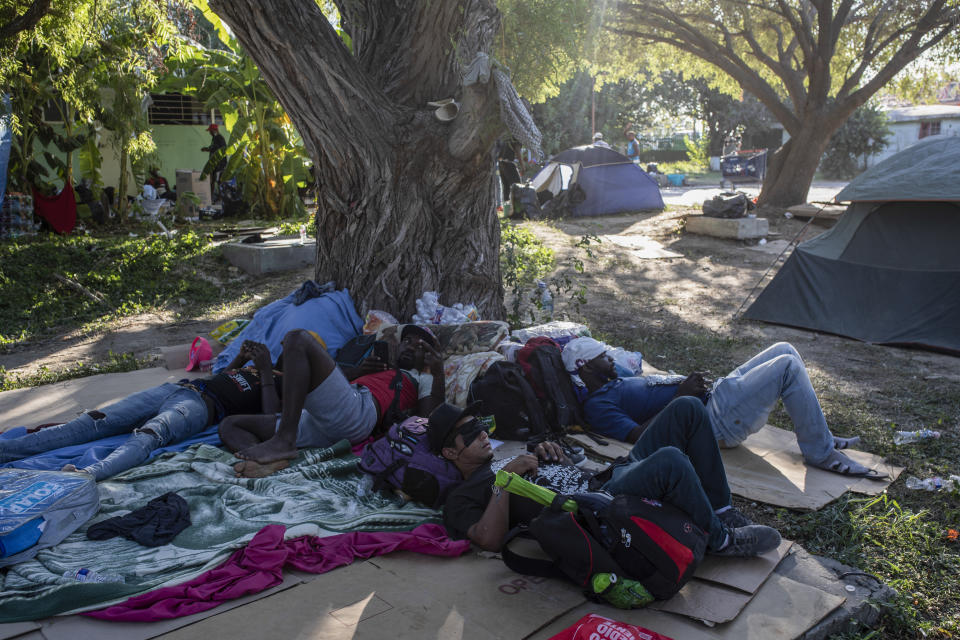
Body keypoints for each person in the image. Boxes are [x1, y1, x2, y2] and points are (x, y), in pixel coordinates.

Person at [434, 397, 781, 557]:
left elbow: (554, 469)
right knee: (670, 461)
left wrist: (551, 453)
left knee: (686, 408)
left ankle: (721, 511)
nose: (483, 433)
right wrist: (504, 481)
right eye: (471, 432)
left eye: (482, 425)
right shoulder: (463, 495)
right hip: (596, 508)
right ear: (450, 453)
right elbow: (487, 539)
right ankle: (720, 541)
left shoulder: (509, 452)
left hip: (605, 477)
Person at [563, 338, 878, 478]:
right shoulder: (598, 405)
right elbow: (639, 438)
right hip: (710, 421)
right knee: (786, 367)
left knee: (785, 349)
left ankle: (818, 432)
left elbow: (640, 378)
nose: (611, 360)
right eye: (603, 357)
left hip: (713, 398)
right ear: (585, 368)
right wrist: (681, 396)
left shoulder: (615, 381)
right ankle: (820, 452)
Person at [0, 341, 280, 481]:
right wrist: (243, 359)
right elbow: (222, 381)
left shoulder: (280, 384)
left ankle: (85, 475)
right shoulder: (261, 367)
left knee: (149, 434)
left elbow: (269, 417)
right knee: (91, 422)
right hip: (180, 388)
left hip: (198, 407)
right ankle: (7, 451)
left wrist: (266, 370)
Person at [220, 325, 446, 476]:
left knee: (297, 338)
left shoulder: (421, 376)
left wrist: (437, 373)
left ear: (428, 356)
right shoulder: (380, 368)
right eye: (407, 341)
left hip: (358, 414)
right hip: (322, 419)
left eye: (420, 346)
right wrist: (357, 371)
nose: (410, 346)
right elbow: (320, 384)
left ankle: (284, 440)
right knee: (230, 425)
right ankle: (264, 464)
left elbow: (426, 419)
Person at [201, 123, 227, 200]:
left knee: (218, 181)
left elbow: (217, 149)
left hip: (219, 163)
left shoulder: (219, 138)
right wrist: (207, 148)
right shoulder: (215, 138)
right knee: (212, 180)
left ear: (214, 131)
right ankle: (211, 197)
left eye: (210, 131)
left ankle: (219, 197)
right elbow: (212, 147)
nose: (209, 133)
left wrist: (207, 149)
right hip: (215, 163)